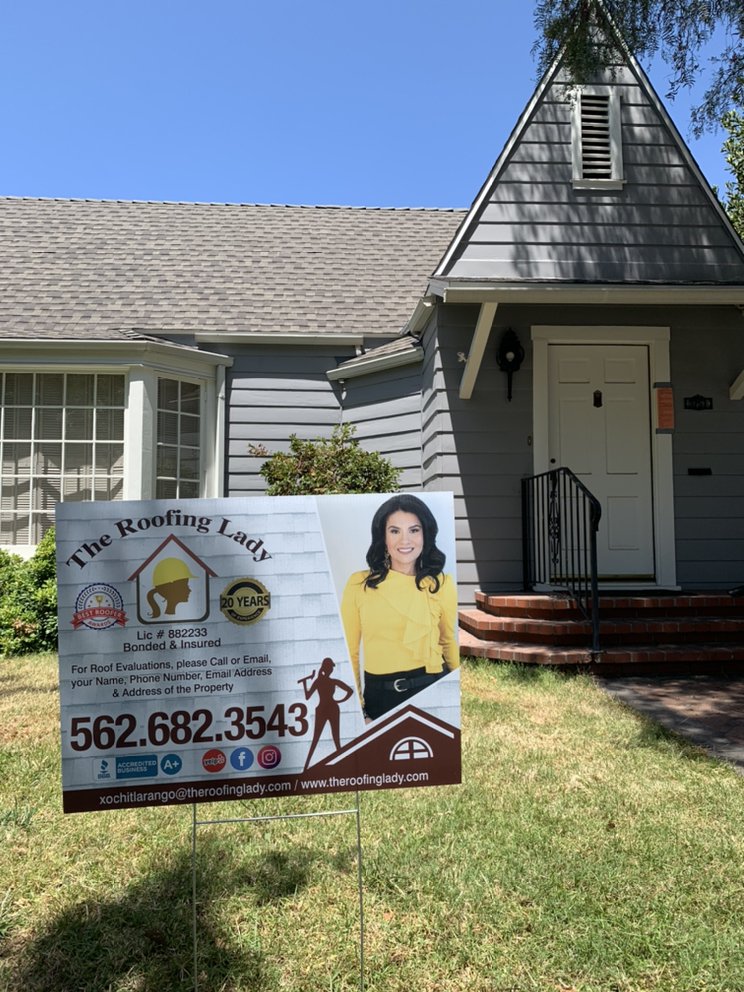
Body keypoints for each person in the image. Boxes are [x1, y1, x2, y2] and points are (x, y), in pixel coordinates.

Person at [341, 494, 459, 721]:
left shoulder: (441, 584)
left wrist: (456, 692)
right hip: (380, 697)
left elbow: (447, 642)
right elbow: (349, 652)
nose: (405, 540)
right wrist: (357, 710)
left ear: (425, 535)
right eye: (395, 531)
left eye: (414, 530)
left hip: (433, 688)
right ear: (383, 538)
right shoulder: (359, 583)